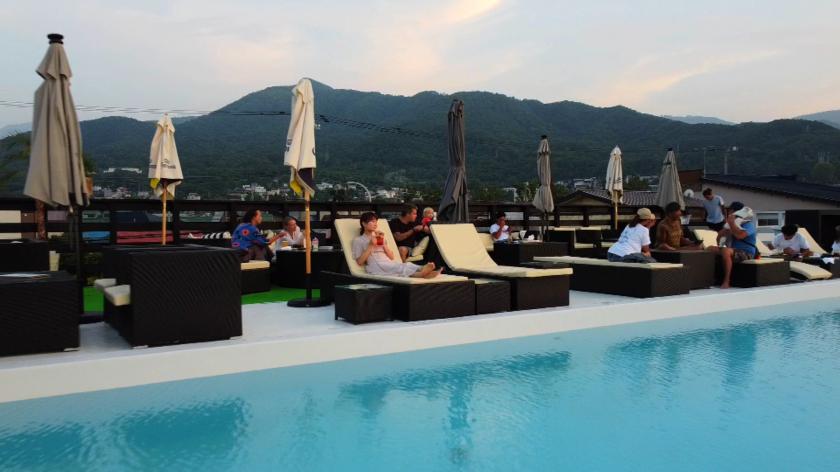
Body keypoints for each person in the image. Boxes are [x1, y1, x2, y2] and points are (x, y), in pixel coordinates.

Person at [353, 212, 441, 278]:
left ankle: (423, 271)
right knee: (398, 267)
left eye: (376, 221)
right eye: (372, 222)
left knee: (407, 264)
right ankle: (422, 273)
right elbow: (359, 262)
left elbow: (391, 257)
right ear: (364, 223)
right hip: (376, 265)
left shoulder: (379, 237)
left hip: (387, 262)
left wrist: (384, 244)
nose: (375, 224)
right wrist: (371, 245)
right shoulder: (359, 240)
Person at [706, 201, 757, 289]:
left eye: (730, 211)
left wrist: (732, 223)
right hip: (733, 250)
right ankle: (710, 278)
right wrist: (724, 232)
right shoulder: (730, 225)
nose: (729, 213)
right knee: (709, 248)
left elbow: (740, 236)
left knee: (726, 251)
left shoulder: (748, 224)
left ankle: (726, 281)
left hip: (747, 252)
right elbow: (719, 239)